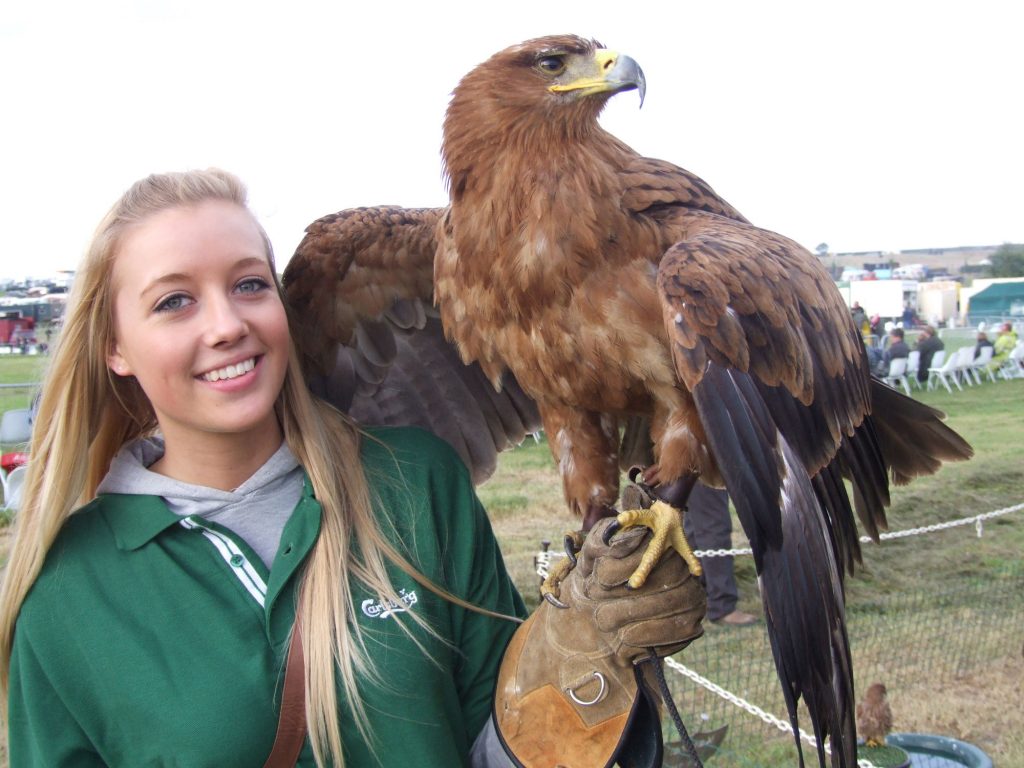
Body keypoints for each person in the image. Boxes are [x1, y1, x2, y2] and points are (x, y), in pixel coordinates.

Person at [0, 169, 705, 767]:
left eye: (250, 285)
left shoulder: (415, 486)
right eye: (174, 301)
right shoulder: (66, 595)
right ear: (114, 346)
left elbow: (504, 743)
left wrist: (585, 667)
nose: (226, 325)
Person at [683, 485, 757, 626]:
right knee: (713, 522)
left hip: (684, 466)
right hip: (700, 466)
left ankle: (698, 599)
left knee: (693, 521)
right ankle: (722, 606)